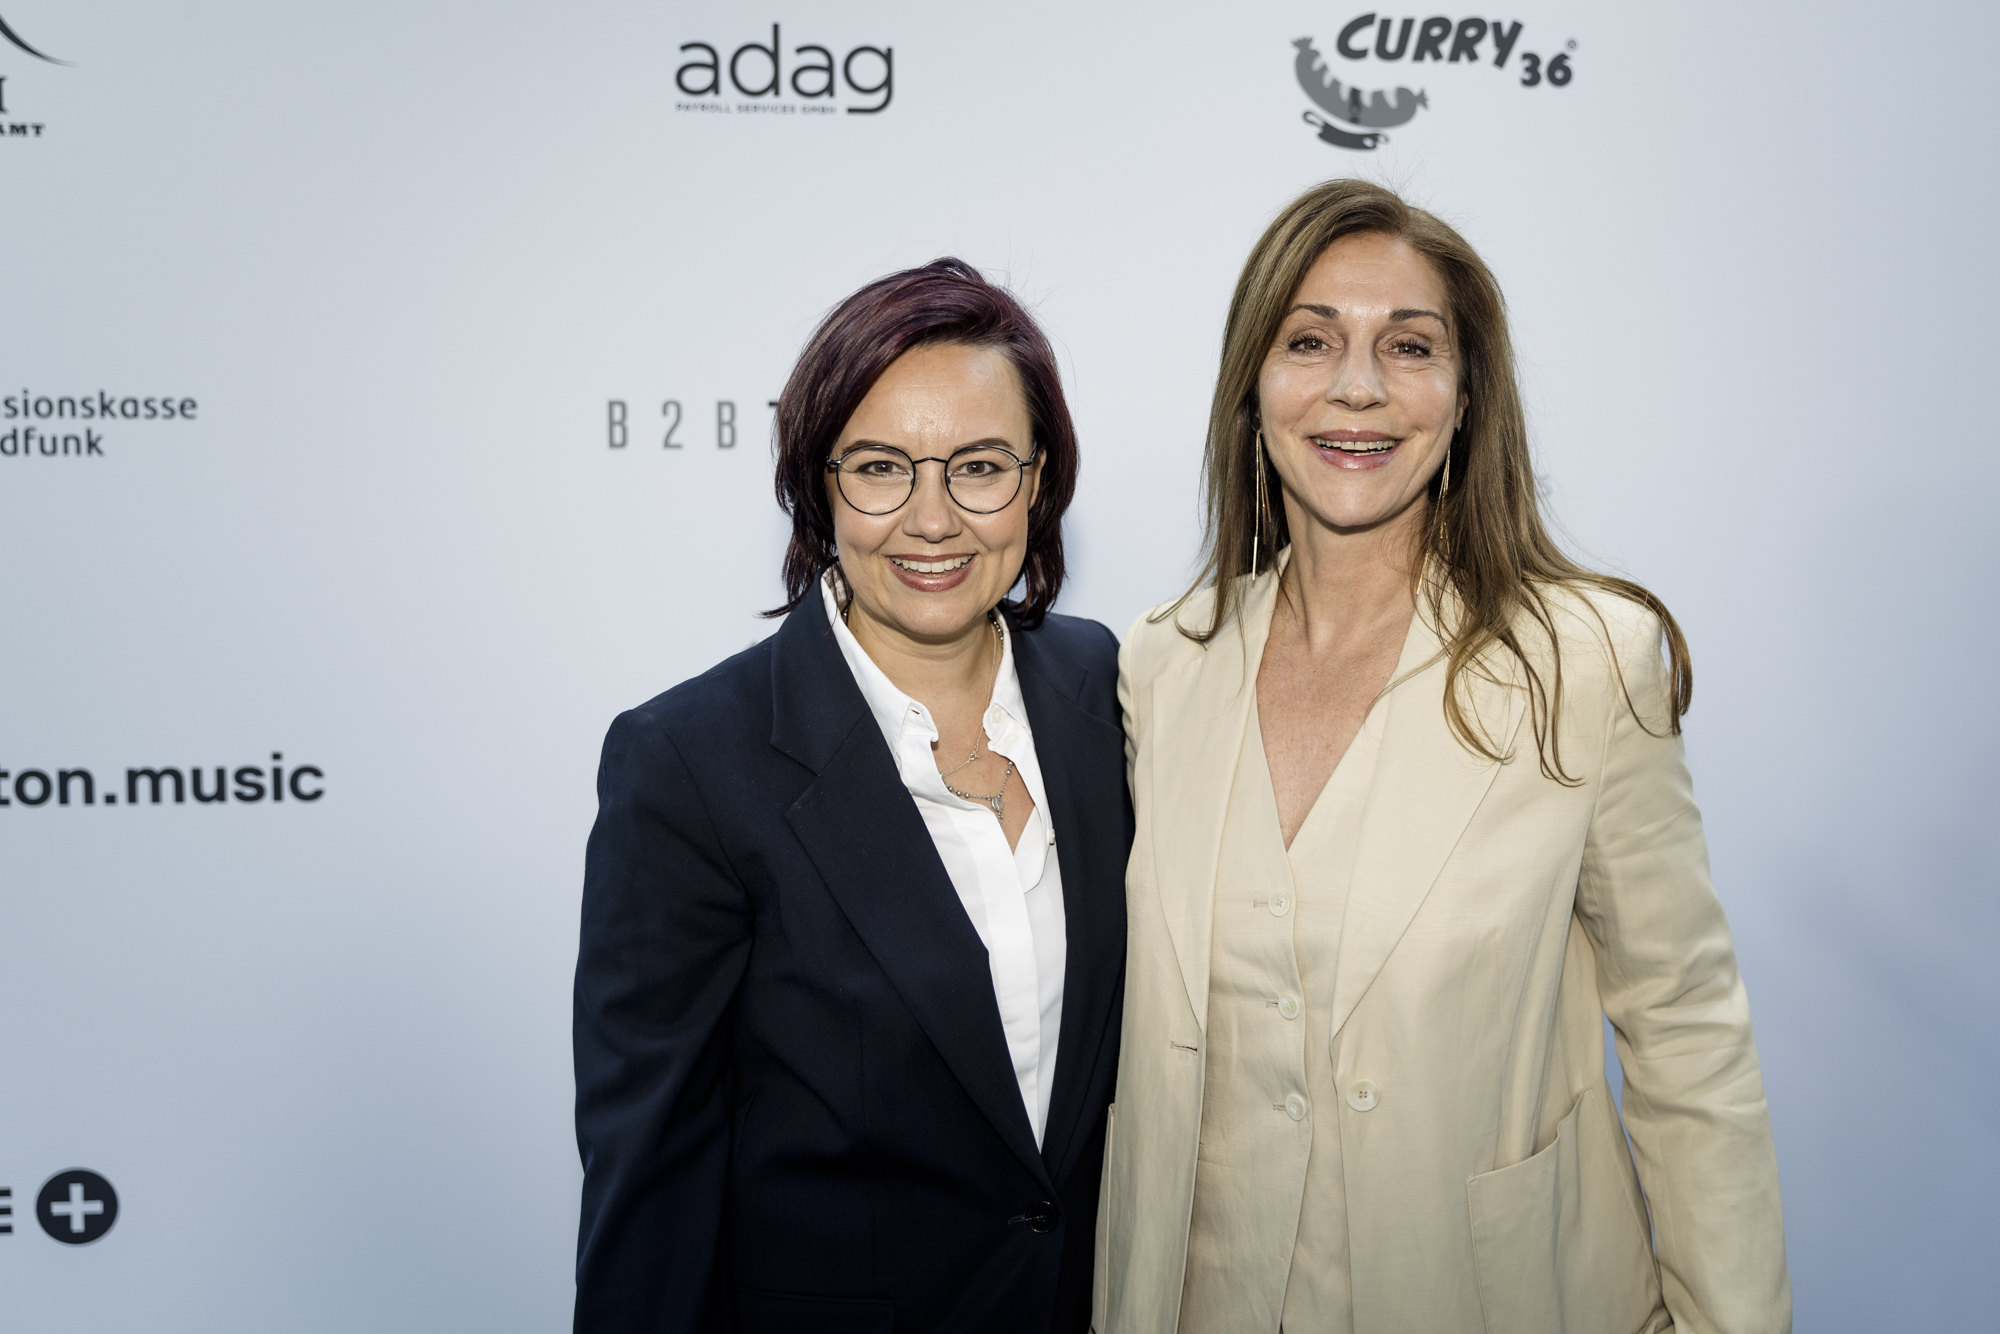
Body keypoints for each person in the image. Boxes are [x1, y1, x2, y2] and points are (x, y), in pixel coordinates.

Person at [1098, 181, 1790, 1333]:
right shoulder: (1159, 666)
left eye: (1408, 346)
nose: (1356, 385)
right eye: (1308, 340)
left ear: (1465, 397)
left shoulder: (1585, 663)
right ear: (1250, 390)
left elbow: (1682, 1029)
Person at [573, 258, 1130, 1334]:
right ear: (818, 483)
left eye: (979, 466)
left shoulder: (1107, 688)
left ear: (1038, 480)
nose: (932, 519)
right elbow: (651, 1184)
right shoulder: (687, 763)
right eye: (880, 467)